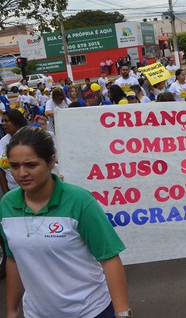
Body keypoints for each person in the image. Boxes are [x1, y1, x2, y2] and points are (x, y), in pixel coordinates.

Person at [0, 126, 131, 318]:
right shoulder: (7, 205)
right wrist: (12, 310)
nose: (22, 173)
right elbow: (13, 260)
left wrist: (122, 313)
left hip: (90, 311)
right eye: (14, 166)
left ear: (51, 161)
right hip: (36, 314)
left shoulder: (80, 201)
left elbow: (109, 259)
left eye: (31, 165)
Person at [0, 109, 28, 195]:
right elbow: (1, 170)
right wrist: (5, 192)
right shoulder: (3, 141)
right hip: (12, 191)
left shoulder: (30, 137)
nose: (3, 124)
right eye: (2, 121)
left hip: (31, 190)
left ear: (16, 121)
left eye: (6, 121)